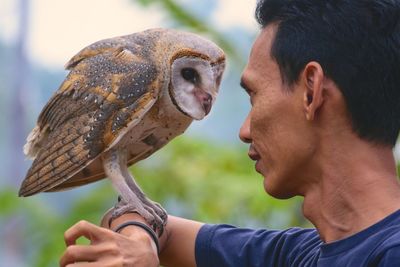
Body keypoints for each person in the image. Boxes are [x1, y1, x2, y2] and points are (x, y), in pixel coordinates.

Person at [60, 0, 400, 266]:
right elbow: (153, 224)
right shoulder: (302, 254)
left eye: (254, 95)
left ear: (311, 91)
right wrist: (138, 245)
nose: (244, 130)